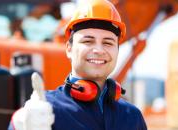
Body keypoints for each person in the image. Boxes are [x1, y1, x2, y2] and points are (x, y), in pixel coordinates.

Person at [8, 0, 147, 129]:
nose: (98, 50)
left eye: (108, 43)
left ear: (117, 50)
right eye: (88, 41)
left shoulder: (132, 117)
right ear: (69, 49)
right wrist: (18, 125)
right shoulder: (45, 110)